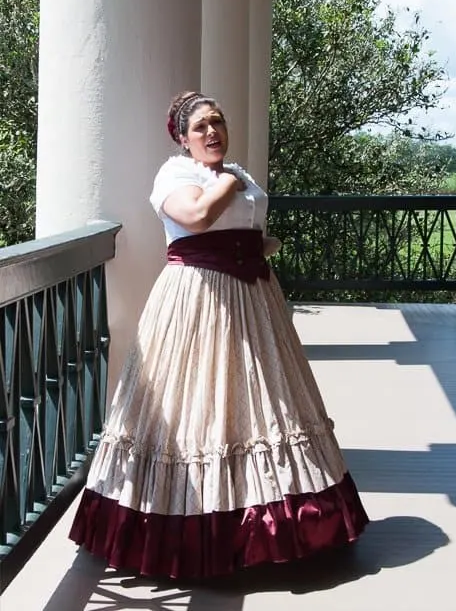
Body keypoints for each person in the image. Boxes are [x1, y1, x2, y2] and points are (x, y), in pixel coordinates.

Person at [69, 91, 368, 580]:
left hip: (253, 300)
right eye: (202, 127)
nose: (213, 132)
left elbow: (249, 226)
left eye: (218, 122)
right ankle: (189, 530)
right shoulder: (177, 175)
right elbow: (196, 217)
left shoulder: (239, 173)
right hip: (197, 300)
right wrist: (228, 183)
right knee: (196, 406)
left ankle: (277, 530)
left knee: (261, 403)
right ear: (184, 139)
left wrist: (257, 242)